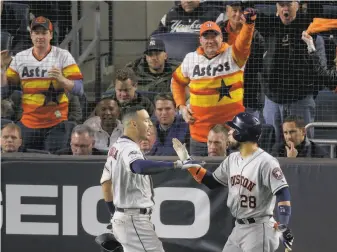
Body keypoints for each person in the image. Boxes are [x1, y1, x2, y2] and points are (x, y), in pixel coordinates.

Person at [172, 112, 294, 252]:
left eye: (234, 129)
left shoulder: (266, 162)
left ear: (242, 134)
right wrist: (189, 163)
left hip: (259, 229)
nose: (230, 132)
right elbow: (212, 182)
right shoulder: (232, 159)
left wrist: (283, 224)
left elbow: (283, 192)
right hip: (239, 228)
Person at [100, 105, 202, 252]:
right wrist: (176, 164)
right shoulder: (129, 148)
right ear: (134, 124)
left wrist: (113, 213)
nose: (150, 124)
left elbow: (105, 184)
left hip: (126, 217)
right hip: (133, 218)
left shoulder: (116, 147)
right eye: (146, 121)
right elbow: (139, 166)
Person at [171, 9, 257, 156]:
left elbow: (244, 43)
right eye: (206, 37)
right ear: (200, 40)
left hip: (231, 134)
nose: (210, 40)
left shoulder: (233, 54)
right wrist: (182, 107)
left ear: (221, 37)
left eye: (214, 36)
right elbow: (177, 82)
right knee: (200, 176)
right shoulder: (190, 59)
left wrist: (249, 25)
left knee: (234, 176)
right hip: (200, 136)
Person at [1, 16, 84, 151]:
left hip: (56, 123)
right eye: (36, 33)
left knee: (53, 165)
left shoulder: (63, 56)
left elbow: (79, 89)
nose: (40, 36)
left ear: (50, 35)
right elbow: (3, 92)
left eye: (44, 33)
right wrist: (1, 70)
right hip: (28, 123)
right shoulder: (20, 58)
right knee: (24, 163)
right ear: (31, 35)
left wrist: (62, 79)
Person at [256, 1, 327, 142]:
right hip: (273, 101)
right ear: (276, 7)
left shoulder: (311, 31)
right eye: (281, 5)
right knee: (271, 146)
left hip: (300, 101)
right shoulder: (266, 30)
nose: (285, 8)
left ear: (298, 5)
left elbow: (321, 71)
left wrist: (307, 89)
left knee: (303, 145)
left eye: (289, 4)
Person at [217, 1, 265, 119]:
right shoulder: (217, 32)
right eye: (234, 10)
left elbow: (258, 65)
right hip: (220, 89)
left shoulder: (255, 35)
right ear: (227, 11)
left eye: (241, 11)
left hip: (248, 90)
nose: (238, 15)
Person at [152, 0, 221, 34]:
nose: (188, 1)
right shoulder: (169, 16)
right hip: (173, 59)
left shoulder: (215, 15)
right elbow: (156, 39)